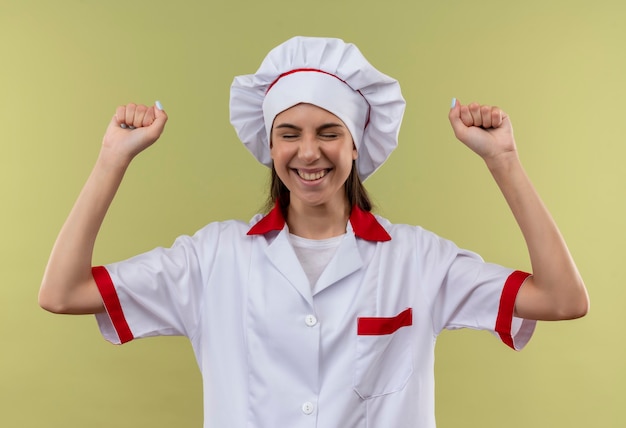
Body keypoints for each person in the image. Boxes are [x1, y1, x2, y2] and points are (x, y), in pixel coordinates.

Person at [39, 36, 589, 428]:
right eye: (289, 134)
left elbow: (563, 300)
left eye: (329, 132)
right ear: (268, 145)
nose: (309, 152)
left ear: (357, 145)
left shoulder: (419, 260)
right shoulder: (212, 259)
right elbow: (62, 294)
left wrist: (505, 161)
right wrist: (113, 159)